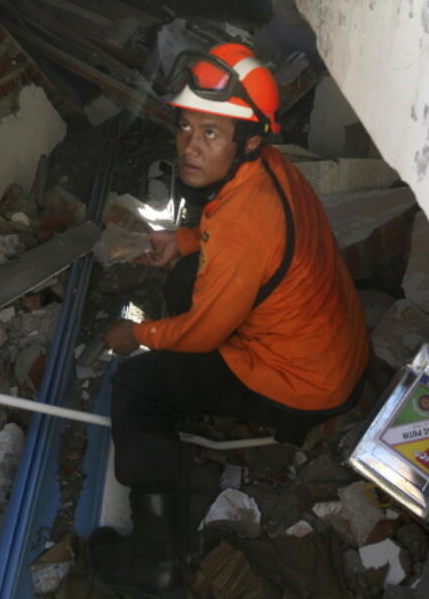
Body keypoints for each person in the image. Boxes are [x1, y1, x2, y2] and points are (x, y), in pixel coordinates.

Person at [90, 43, 370, 598]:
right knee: (183, 276)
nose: (190, 147)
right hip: (333, 350)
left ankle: (157, 560)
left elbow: (202, 334)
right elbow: (249, 245)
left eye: (211, 133)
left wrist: (135, 336)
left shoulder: (244, 222)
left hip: (303, 385)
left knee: (141, 387)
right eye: (186, 127)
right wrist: (187, 241)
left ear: (249, 140)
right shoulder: (270, 169)